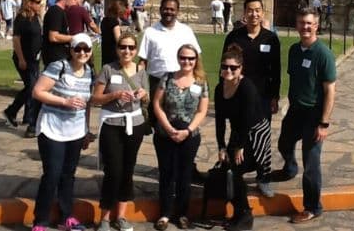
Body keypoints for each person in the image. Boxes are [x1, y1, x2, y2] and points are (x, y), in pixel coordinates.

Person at [277, 7, 336, 224]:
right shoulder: (294, 50)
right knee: (284, 143)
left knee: (311, 163)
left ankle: (312, 207)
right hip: (295, 111)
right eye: (302, 23)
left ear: (316, 25)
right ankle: (289, 168)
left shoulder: (323, 54)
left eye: (309, 23)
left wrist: (323, 123)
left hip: (314, 114)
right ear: (297, 25)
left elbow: (330, 90)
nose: (305, 27)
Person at [30, 33, 94, 231]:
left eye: (86, 49)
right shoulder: (59, 67)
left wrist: (86, 130)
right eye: (78, 48)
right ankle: (40, 220)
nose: (82, 53)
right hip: (52, 129)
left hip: (75, 131)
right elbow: (37, 92)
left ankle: (66, 216)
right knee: (52, 174)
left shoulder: (90, 71)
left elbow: (88, 104)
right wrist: (64, 101)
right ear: (71, 50)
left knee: (68, 175)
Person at [222, 0, 279, 197]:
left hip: (262, 97)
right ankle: (234, 172)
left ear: (262, 12)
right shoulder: (234, 37)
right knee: (238, 136)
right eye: (250, 10)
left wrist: (275, 97)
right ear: (244, 13)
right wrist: (225, 93)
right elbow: (225, 65)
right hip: (238, 97)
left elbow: (276, 70)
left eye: (257, 10)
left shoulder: (270, 38)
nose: (254, 14)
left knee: (262, 138)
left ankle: (263, 178)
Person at [92, 32, 149, 231]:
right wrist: (115, 94)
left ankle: (121, 216)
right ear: (117, 49)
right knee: (113, 171)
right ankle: (105, 217)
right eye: (123, 47)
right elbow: (95, 98)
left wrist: (143, 94)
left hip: (135, 125)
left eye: (131, 48)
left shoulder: (141, 71)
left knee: (127, 170)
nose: (127, 51)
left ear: (135, 50)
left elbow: (146, 98)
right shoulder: (108, 69)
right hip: (112, 125)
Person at [214, 44, 271, 231]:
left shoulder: (246, 87)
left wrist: (239, 146)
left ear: (241, 69)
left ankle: (245, 215)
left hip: (255, 133)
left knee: (236, 169)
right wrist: (222, 146)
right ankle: (237, 213)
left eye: (233, 67)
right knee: (228, 166)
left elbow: (247, 119)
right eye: (225, 66)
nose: (228, 70)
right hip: (238, 131)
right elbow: (220, 121)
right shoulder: (219, 88)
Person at [152, 44, 208, 231]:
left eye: (191, 58)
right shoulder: (167, 78)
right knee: (167, 174)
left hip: (189, 135)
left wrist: (188, 130)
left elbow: (202, 110)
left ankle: (183, 214)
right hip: (165, 133)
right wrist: (167, 128)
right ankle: (165, 213)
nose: (187, 61)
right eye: (183, 58)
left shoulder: (200, 82)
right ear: (178, 58)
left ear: (195, 60)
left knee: (184, 175)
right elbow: (157, 104)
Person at [138, 0, 201, 105]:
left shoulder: (186, 31)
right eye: (166, 9)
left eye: (172, 9)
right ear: (160, 9)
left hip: (181, 81)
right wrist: (139, 84)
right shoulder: (150, 32)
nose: (169, 12)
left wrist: (198, 79)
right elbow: (143, 61)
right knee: (155, 118)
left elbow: (197, 57)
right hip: (156, 82)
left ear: (177, 11)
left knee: (180, 118)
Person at [3, 0, 43, 136]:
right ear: (30, 3)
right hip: (25, 59)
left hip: (35, 59)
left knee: (30, 88)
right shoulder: (21, 18)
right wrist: (21, 58)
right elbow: (16, 40)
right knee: (33, 89)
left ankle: (14, 112)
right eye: (37, 3)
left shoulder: (36, 18)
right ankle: (30, 122)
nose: (40, 5)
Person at [101, 0, 125, 68]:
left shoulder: (104, 20)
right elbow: (118, 40)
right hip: (113, 53)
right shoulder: (114, 22)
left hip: (105, 51)